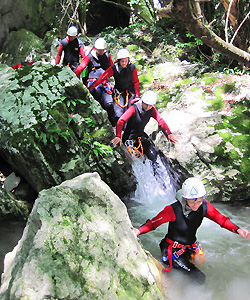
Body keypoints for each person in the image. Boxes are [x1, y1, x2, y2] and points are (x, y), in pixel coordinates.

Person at [133, 177, 250, 284]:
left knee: (202, 263)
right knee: (199, 278)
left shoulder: (204, 206)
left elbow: (221, 220)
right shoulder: (172, 210)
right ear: (185, 198)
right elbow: (154, 223)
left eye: (199, 201)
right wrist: (138, 231)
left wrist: (238, 230)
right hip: (173, 250)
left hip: (190, 246)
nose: (196, 205)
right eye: (192, 201)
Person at [112, 90, 178, 163]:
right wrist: (118, 136)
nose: (147, 107)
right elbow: (121, 120)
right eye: (146, 104)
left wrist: (168, 133)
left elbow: (160, 120)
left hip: (140, 137)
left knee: (154, 156)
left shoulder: (151, 109)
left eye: (150, 105)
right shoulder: (134, 108)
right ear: (142, 101)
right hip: (128, 139)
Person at [89, 48, 140, 124]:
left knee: (131, 113)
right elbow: (102, 78)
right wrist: (91, 88)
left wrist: (137, 96)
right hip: (119, 93)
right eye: (122, 61)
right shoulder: (114, 68)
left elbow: (136, 81)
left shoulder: (132, 67)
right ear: (119, 60)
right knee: (119, 114)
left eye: (126, 61)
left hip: (130, 93)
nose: (124, 63)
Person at [74, 37, 116, 127]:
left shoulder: (107, 56)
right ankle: (99, 124)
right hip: (93, 84)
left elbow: (112, 68)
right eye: (99, 50)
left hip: (104, 83)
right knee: (96, 103)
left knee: (109, 103)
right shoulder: (90, 56)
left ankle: (113, 124)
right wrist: (73, 76)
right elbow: (81, 67)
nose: (100, 52)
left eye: (102, 50)